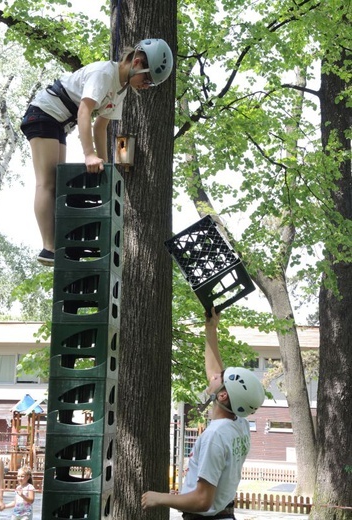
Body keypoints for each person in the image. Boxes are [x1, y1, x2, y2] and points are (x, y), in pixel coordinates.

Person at [20, 38, 173, 266]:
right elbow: (85, 111)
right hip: (43, 115)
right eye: (148, 79)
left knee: (59, 183)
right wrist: (89, 154)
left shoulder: (121, 89)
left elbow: (101, 126)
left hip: (59, 122)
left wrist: (106, 169)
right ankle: (49, 247)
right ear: (138, 62)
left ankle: (58, 244)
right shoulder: (104, 74)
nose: (146, 86)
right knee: (47, 183)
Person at [141, 308, 265, 519]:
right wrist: (210, 329)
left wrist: (159, 498)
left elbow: (202, 500)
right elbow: (215, 373)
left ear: (223, 395)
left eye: (220, 378)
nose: (214, 376)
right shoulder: (239, 423)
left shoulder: (215, 436)